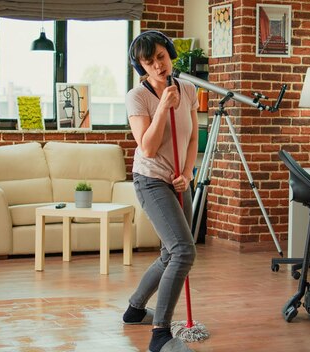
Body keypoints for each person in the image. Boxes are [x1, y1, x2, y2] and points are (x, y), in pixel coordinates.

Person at [122, 30, 199, 352]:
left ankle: (135, 309)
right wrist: (162, 106)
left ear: (169, 55)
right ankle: (160, 334)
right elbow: (148, 148)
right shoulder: (136, 97)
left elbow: (193, 136)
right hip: (150, 180)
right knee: (183, 251)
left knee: (171, 253)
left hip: (179, 179)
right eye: (148, 61)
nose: (157, 65)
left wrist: (186, 172)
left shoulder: (190, 88)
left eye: (161, 57)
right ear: (141, 66)